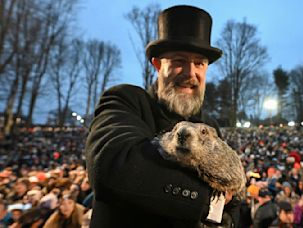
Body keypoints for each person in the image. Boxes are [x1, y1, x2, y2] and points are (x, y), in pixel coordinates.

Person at [85, 5, 242, 228]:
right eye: (179, 61)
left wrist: (224, 220)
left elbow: (233, 201)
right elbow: (113, 166)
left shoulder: (210, 126)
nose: (190, 73)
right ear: (158, 65)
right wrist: (209, 204)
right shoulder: (126, 100)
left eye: (199, 63)